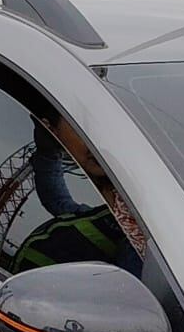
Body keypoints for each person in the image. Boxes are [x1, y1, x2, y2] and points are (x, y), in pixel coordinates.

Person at [26, 107, 147, 276]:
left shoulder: (142, 237)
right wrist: (47, 152)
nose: (96, 143)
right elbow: (60, 204)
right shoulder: (110, 217)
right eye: (81, 127)